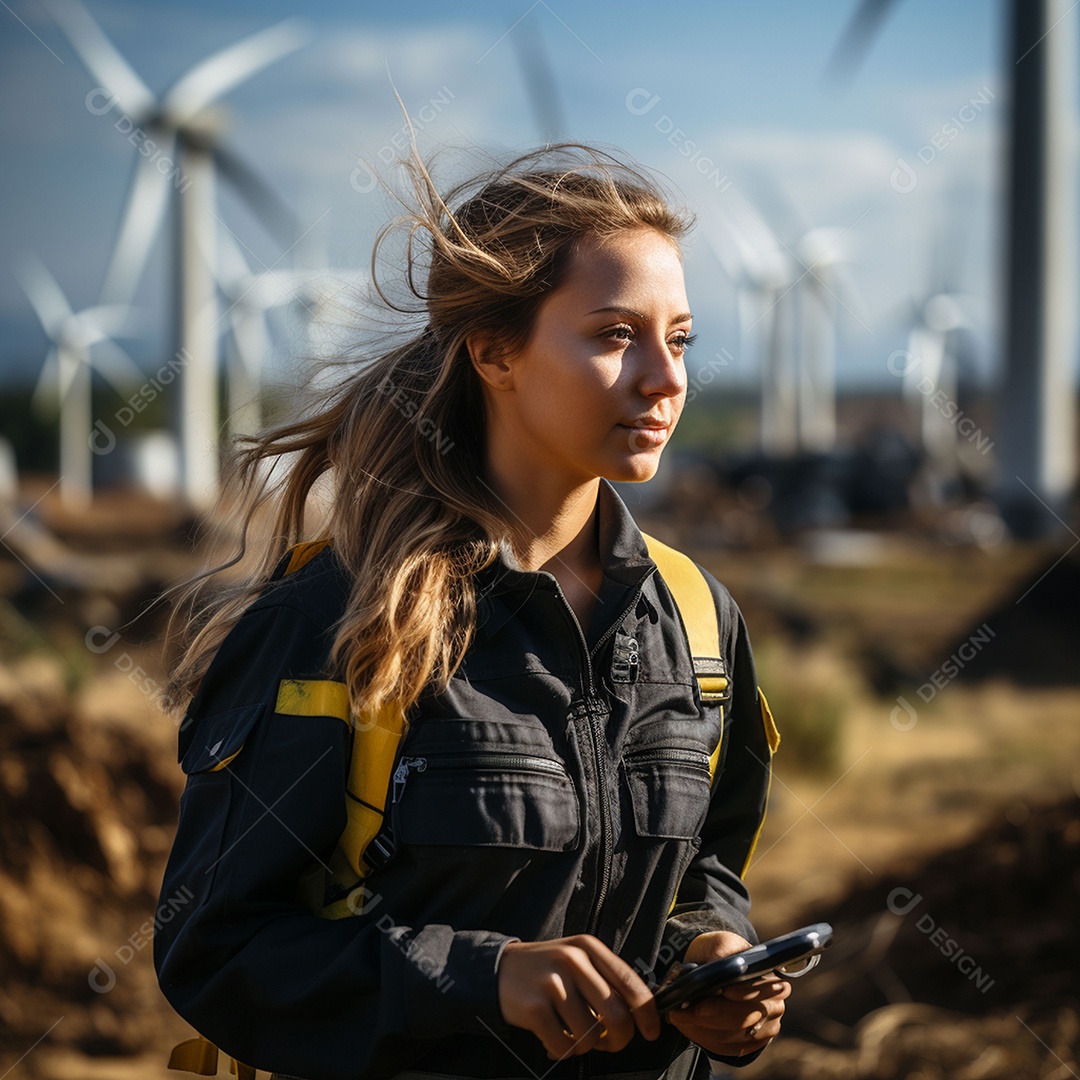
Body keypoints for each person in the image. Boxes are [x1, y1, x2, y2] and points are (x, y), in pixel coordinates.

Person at [153, 142, 788, 1080]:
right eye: (616, 335)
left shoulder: (696, 619)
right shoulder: (336, 623)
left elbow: (705, 870)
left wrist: (710, 951)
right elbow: (216, 949)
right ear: (493, 351)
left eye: (681, 339)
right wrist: (481, 977)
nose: (665, 378)